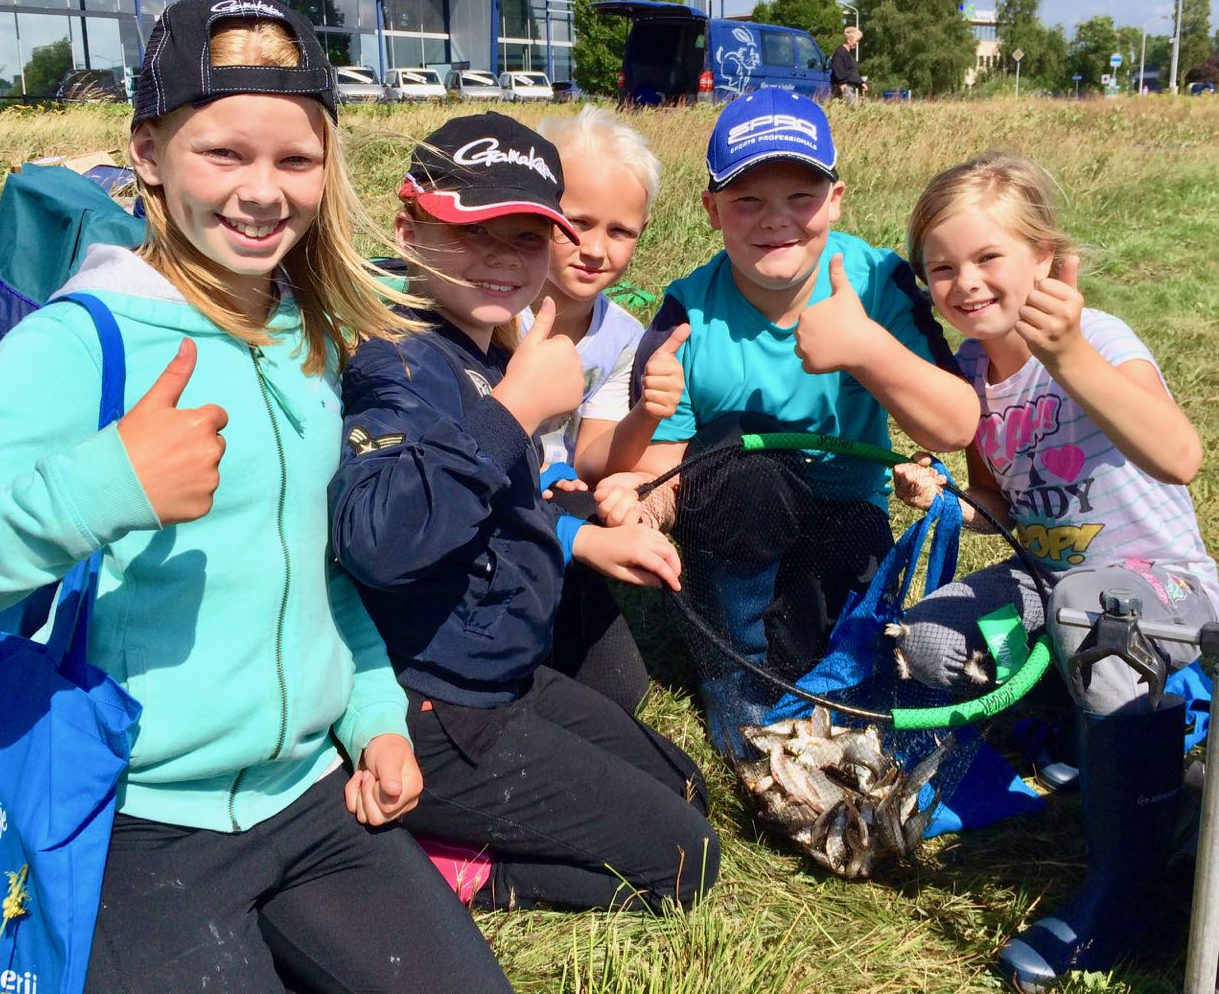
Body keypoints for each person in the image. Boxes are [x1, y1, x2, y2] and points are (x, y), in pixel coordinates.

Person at [0, 0, 512, 991]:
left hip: (314, 796)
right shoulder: (80, 342)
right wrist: (97, 491)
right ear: (149, 155)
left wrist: (372, 716)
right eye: (223, 154)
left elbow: (316, 571)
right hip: (136, 817)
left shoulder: (308, 334)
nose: (263, 192)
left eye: (295, 160)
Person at [330, 111, 721, 915]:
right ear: (408, 230)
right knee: (689, 862)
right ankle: (456, 870)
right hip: (438, 704)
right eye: (473, 232)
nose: (505, 258)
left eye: (528, 237)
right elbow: (376, 540)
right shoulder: (396, 359)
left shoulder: (490, 342)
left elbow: (535, 489)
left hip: (505, 674)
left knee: (687, 788)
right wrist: (515, 409)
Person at [891, 152, 1217, 990]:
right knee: (928, 639)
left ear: (1046, 259)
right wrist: (947, 497)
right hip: (1048, 585)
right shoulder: (970, 371)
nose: (965, 282)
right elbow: (1000, 503)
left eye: (988, 257)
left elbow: (1180, 456)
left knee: (1096, 621)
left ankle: (1129, 894)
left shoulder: (1096, 338)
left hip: (1165, 588)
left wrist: (1068, 354)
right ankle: (1082, 739)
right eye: (942, 267)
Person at [610, 89, 979, 755]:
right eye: (748, 200)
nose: (776, 221)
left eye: (800, 198)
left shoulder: (879, 282)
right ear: (712, 209)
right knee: (746, 456)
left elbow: (954, 426)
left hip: (845, 509)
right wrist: (646, 506)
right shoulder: (686, 313)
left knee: (822, 659)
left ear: (835, 201)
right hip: (733, 516)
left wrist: (867, 349)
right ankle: (734, 676)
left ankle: (773, 648)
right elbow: (662, 468)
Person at [522, 105, 688, 714]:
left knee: (620, 693)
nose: (595, 249)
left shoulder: (621, 335)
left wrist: (647, 412)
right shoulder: (497, 308)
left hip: (560, 497)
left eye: (620, 232)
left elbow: (594, 460)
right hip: (491, 493)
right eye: (577, 224)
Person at [830, 27, 867, 104]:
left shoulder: (848, 54)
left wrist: (861, 83)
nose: (857, 43)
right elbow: (837, 67)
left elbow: (852, 72)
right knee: (853, 108)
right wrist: (842, 83)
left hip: (849, 87)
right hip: (844, 88)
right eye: (856, 41)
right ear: (849, 40)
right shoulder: (840, 52)